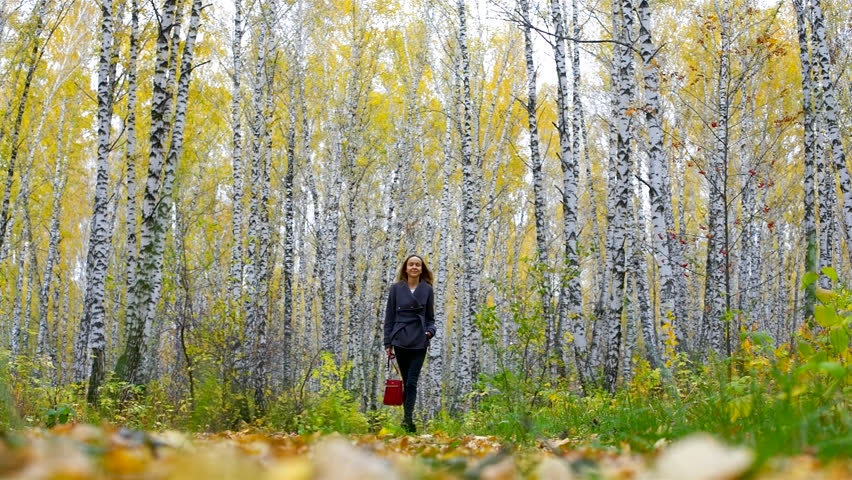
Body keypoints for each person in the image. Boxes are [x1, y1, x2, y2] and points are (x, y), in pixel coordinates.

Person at [383, 254, 436, 433]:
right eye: (411, 264)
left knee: (412, 382)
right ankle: (408, 421)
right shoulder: (396, 289)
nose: (414, 267)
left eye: (418, 265)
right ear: (406, 268)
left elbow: (431, 318)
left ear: (422, 269)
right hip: (400, 340)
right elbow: (389, 317)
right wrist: (387, 343)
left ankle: (407, 420)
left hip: (419, 341)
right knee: (406, 380)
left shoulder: (427, 289)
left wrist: (430, 332)